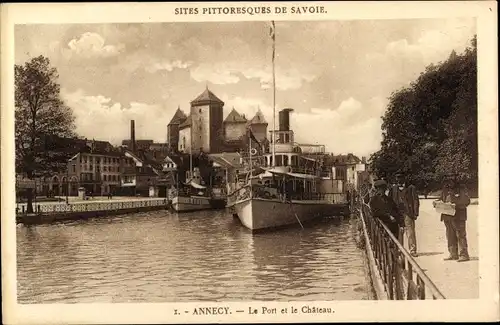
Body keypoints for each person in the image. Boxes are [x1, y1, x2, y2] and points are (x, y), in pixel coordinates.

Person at [389, 173, 420, 257]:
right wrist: (391, 213)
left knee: (410, 232)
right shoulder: (393, 189)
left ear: (404, 178)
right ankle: (399, 249)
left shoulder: (411, 188)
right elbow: (390, 201)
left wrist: (416, 213)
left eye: (400, 178)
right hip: (397, 213)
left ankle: (412, 250)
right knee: (399, 232)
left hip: (408, 213)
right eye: (397, 178)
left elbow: (415, 200)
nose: (399, 180)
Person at [441, 177, 471, 262]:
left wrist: (455, 204)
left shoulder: (461, 188)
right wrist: (437, 203)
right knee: (450, 235)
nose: (449, 183)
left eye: (451, 180)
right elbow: (442, 199)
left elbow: (466, 201)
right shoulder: (445, 188)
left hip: (458, 216)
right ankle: (453, 254)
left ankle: (464, 255)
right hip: (447, 216)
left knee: (460, 235)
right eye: (448, 180)